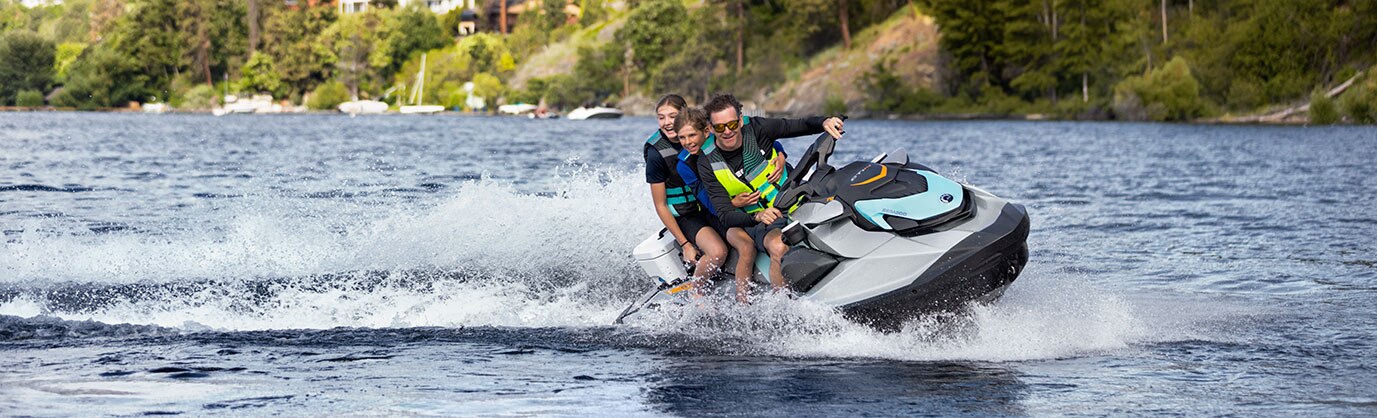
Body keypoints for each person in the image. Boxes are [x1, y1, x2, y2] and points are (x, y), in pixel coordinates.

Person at [695, 94, 844, 302]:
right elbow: (725, 214)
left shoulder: (757, 128)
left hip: (794, 198)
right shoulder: (706, 162)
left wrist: (824, 122)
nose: (727, 131)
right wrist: (757, 215)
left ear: (740, 120)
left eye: (731, 124)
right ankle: (783, 307)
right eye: (720, 128)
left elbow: (796, 125)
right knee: (777, 246)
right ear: (710, 129)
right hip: (758, 219)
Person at [671, 106, 784, 302]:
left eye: (692, 136)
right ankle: (741, 303)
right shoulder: (685, 164)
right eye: (682, 138)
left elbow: (764, 141)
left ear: (707, 131)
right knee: (746, 246)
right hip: (718, 214)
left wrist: (781, 155)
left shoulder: (724, 140)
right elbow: (705, 199)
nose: (688, 142)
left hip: (751, 207)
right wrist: (732, 203)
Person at [644, 94, 727, 291]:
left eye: (672, 116)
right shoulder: (656, 154)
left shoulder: (702, 133)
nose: (667, 123)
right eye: (661, 117)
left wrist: (780, 155)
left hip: (714, 205)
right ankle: (696, 293)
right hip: (688, 214)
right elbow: (661, 205)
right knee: (717, 252)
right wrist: (685, 244)